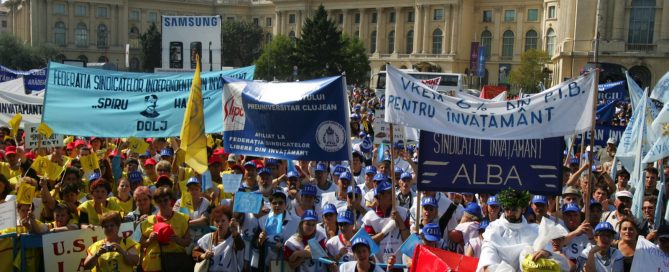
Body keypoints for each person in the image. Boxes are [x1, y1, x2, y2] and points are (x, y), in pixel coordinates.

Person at [477, 188, 549, 271]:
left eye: (514, 209)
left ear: (523, 209)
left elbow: (553, 256)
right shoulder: (493, 229)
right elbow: (487, 263)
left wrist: (546, 253)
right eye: (507, 209)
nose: (510, 212)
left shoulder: (535, 230)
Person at [139, 187, 192, 272]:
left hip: (175, 263)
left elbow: (188, 241)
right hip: (154, 264)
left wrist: (178, 240)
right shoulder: (148, 220)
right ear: (156, 203)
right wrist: (150, 240)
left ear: (170, 200)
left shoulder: (182, 218)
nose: (163, 203)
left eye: (165, 200)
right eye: (159, 201)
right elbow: (141, 244)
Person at [192, 206, 245, 271]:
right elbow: (195, 252)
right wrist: (203, 255)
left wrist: (235, 234)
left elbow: (240, 247)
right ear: (213, 223)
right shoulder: (208, 237)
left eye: (223, 221)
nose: (220, 224)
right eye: (217, 221)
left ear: (229, 222)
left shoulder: (234, 237)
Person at [173, 177, 210, 243]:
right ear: (187, 191)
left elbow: (204, 221)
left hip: (201, 238)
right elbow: (175, 220)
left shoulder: (205, 202)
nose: (194, 191)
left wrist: (185, 223)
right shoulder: (179, 202)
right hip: (184, 237)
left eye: (196, 189)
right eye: (191, 189)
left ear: (200, 190)